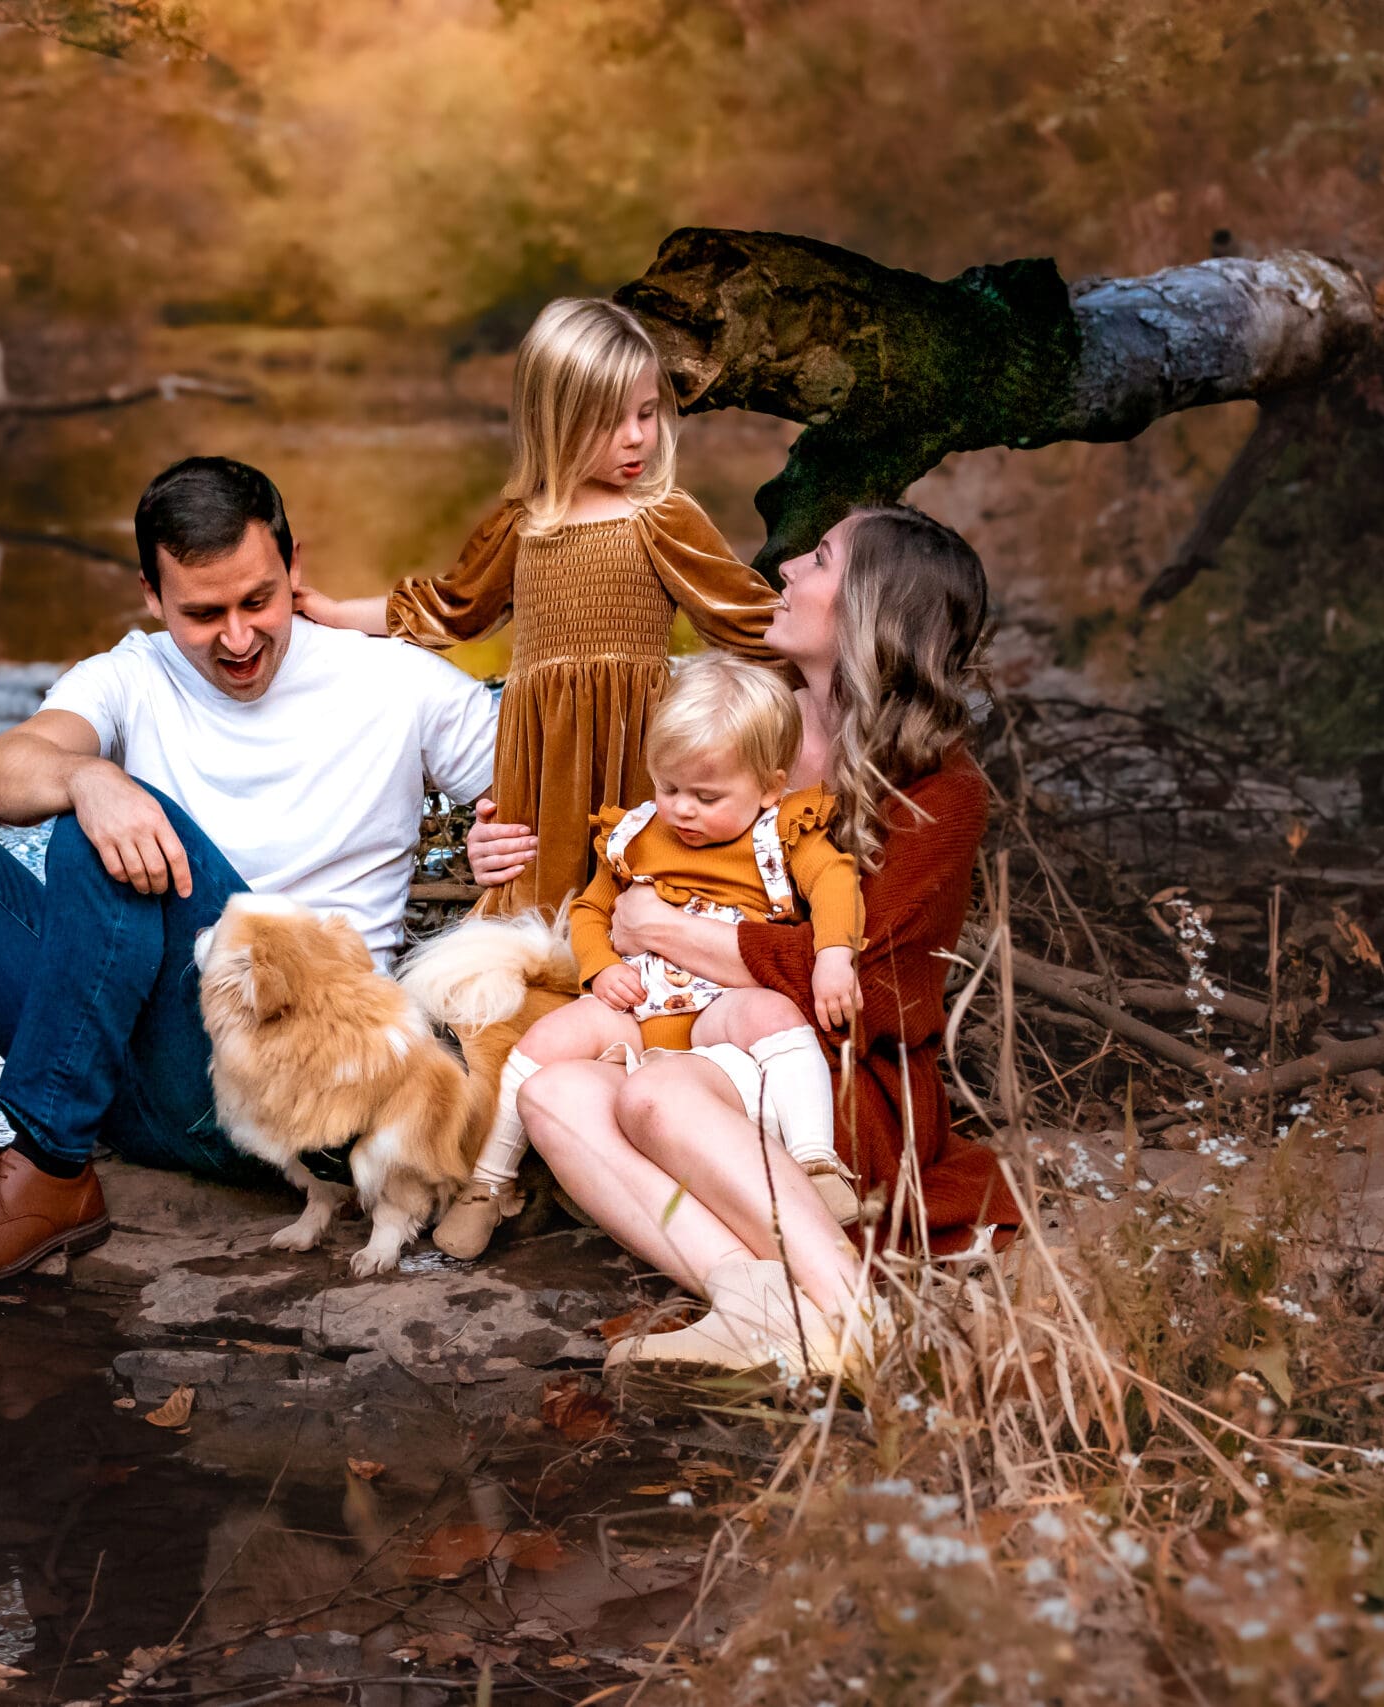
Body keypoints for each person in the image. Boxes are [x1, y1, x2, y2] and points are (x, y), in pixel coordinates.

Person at [0, 456, 506, 1286]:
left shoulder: (393, 681)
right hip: (130, 1070)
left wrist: (496, 842)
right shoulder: (134, 673)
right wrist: (87, 776)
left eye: (258, 600)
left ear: (295, 565)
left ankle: (49, 1172)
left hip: (302, 1089)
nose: (238, 638)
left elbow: (564, 802)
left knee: (118, 835)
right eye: (203, 614)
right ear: (151, 593)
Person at [510, 505, 1021, 1375]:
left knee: (653, 1099)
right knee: (552, 1095)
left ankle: (859, 1326)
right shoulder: (743, 725)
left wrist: (668, 929)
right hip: (703, 1031)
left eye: (818, 557)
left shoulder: (940, 789)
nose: (784, 568)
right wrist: (497, 832)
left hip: (844, 1074)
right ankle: (760, 1304)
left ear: (867, 612)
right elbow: (634, 836)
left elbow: (867, 984)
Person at [298, 296, 779, 920]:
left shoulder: (663, 517)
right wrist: (337, 613)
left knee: (637, 899)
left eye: (648, 413)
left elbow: (745, 617)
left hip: (634, 743)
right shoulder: (522, 526)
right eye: (610, 421)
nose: (636, 437)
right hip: (543, 756)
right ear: (555, 419)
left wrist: (839, 667)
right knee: (535, 912)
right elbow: (452, 609)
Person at [429, 653, 865, 1260]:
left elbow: (836, 882)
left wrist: (834, 955)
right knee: (547, 1040)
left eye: (707, 795)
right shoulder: (638, 833)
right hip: (641, 1005)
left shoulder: (784, 830)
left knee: (770, 1014)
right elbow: (589, 910)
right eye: (669, 787)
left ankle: (817, 1162)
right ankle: (488, 1184)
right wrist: (601, 966)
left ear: (769, 786)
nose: (683, 808)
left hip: (723, 1012)